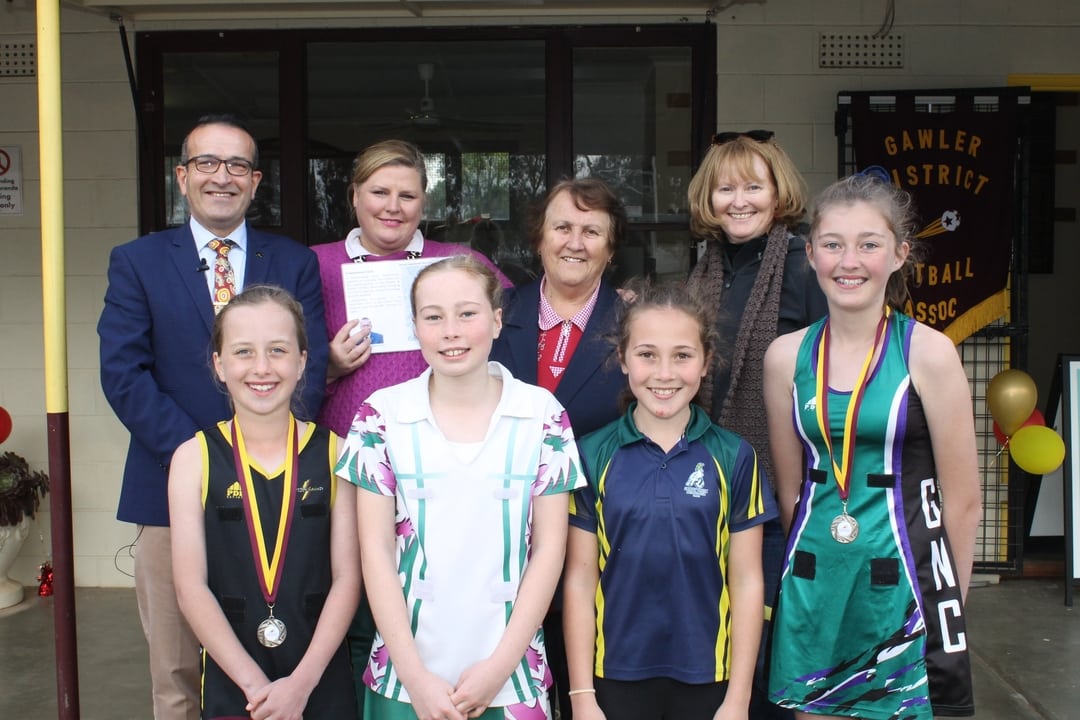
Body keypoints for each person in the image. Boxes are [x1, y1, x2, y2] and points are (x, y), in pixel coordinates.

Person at [98, 114, 329, 720]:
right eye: (206, 163)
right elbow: (123, 374)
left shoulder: (294, 261)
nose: (220, 177)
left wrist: (258, 456)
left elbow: (311, 361)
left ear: (256, 182)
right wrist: (201, 457)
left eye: (236, 166)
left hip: (286, 494)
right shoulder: (137, 261)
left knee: (280, 658)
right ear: (182, 176)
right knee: (176, 671)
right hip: (168, 485)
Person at [763, 172, 981, 719]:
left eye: (869, 244)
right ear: (810, 254)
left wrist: (950, 602)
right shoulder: (785, 357)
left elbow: (963, 500)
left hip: (904, 582)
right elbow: (791, 492)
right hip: (816, 581)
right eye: (833, 245)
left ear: (900, 254)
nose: (849, 261)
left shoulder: (928, 352)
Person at [311, 139, 510, 715]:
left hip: (442, 462)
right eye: (379, 192)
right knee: (354, 599)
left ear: (425, 202)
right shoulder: (318, 263)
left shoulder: (458, 261)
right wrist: (327, 365)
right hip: (352, 460)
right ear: (353, 196)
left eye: (408, 195)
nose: (392, 206)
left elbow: (501, 332)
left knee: (433, 595)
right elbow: (284, 362)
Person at [338, 255, 584, 720]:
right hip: (405, 678)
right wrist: (414, 675)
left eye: (467, 313)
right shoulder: (380, 416)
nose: (450, 331)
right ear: (415, 328)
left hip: (512, 676)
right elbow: (374, 552)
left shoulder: (542, 414)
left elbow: (550, 550)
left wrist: (500, 667)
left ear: (496, 321)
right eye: (433, 317)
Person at [563, 279, 777, 720]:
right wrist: (582, 695)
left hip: (710, 675)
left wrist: (738, 699)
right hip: (613, 673)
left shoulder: (735, 456)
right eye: (647, 355)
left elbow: (748, 582)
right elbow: (580, 582)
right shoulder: (590, 454)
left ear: (705, 363)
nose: (664, 373)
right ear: (622, 359)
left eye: (682, 355)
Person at [686, 130, 828, 720]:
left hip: (776, 488)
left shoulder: (804, 267)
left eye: (753, 186)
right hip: (706, 482)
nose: (738, 200)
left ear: (778, 193)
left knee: (766, 638)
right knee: (710, 630)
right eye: (725, 188)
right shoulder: (706, 269)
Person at [169, 285, 359, 719]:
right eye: (242, 352)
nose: (261, 368)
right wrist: (256, 687)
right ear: (218, 365)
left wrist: (301, 685)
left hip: (319, 675)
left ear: (303, 361)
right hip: (233, 678)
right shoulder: (193, 459)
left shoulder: (338, 453)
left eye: (277, 350)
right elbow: (190, 587)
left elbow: (348, 580)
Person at [489, 177, 630, 718]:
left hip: (602, 535)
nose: (576, 241)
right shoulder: (495, 314)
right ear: (539, 239)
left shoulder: (635, 324)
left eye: (592, 230)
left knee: (588, 684)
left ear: (611, 247)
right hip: (501, 538)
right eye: (563, 227)